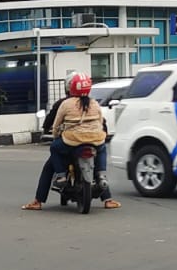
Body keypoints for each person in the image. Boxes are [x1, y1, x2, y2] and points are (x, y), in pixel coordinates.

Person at [23, 72, 119, 210]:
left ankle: (48, 191)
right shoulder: (94, 103)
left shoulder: (64, 103)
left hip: (71, 142)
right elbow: (101, 122)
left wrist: (55, 135)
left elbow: (54, 124)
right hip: (95, 140)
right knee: (99, 157)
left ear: (68, 87)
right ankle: (107, 197)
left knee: (52, 158)